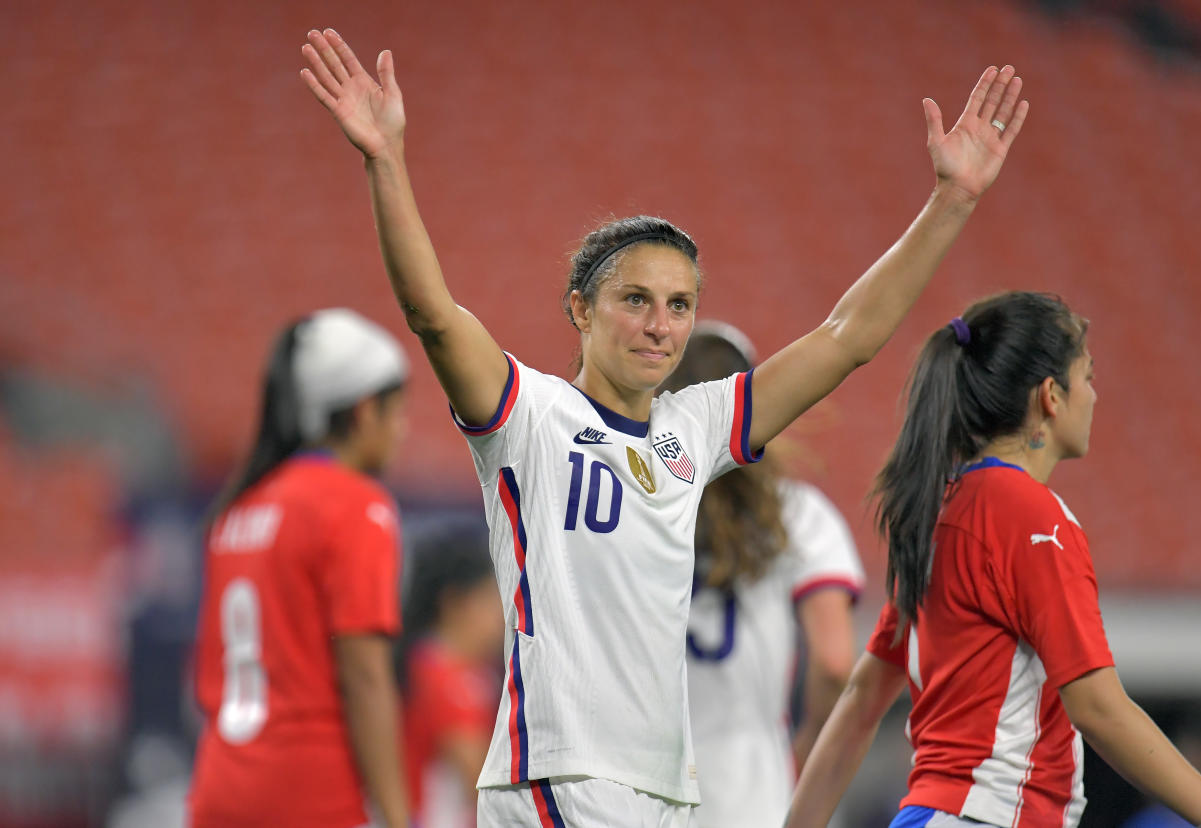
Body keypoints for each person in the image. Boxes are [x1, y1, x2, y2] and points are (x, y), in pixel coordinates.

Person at [300, 27, 1027, 826]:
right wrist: (385, 160)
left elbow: (847, 337)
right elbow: (432, 316)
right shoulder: (529, 416)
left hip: (668, 793)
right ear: (580, 309)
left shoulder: (697, 427)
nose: (660, 325)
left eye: (679, 305)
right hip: (556, 778)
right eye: (635, 300)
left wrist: (950, 201)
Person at [785, 292, 1201, 828]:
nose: (1094, 396)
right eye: (1088, 377)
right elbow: (1097, 707)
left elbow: (864, 697)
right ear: (1051, 395)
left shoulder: (941, 513)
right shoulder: (1030, 516)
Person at [188, 308, 411, 828]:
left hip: (217, 789)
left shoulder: (237, 510)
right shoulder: (354, 504)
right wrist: (400, 817)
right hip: (309, 795)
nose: (402, 429)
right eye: (396, 409)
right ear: (363, 411)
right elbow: (365, 677)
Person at [660, 322, 864, 828]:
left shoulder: (639, 507)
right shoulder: (799, 515)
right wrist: (809, 745)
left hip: (642, 795)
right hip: (756, 792)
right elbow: (836, 662)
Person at [398, 519, 504, 827]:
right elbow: (481, 781)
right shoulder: (444, 675)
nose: (501, 612)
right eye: (490, 598)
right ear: (455, 603)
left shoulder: (461, 671)